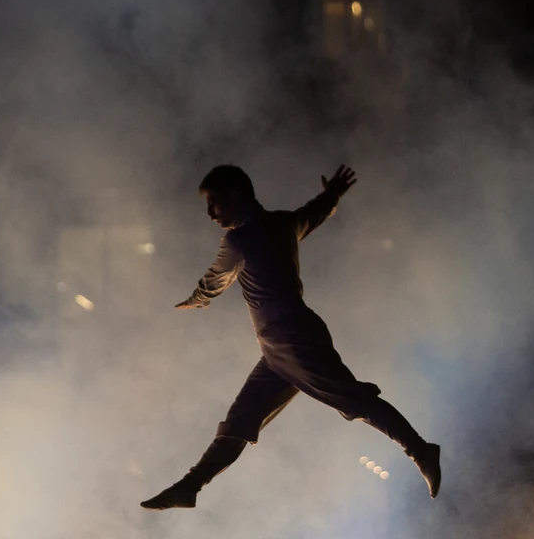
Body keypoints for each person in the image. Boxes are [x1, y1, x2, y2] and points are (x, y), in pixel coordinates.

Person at [141, 164, 440, 510]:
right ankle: (190, 485)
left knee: (351, 399)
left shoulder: (238, 240)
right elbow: (312, 215)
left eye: (214, 204)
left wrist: (197, 299)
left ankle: (420, 449)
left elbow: (216, 278)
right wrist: (332, 195)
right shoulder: (282, 223)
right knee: (241, 420)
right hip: (279, 346)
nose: (210, 214)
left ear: (234, 198)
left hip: (291, 340)